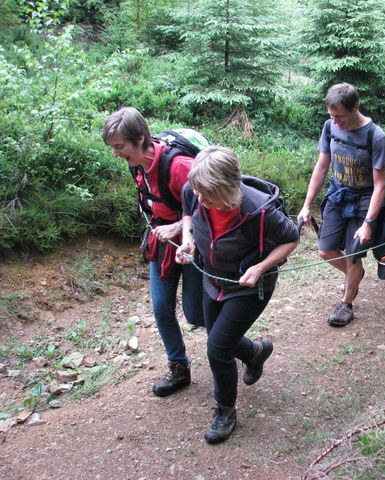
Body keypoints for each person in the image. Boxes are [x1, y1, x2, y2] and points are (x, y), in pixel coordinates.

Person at [176, 146, 299, 444]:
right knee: (219, 339)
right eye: (198, 192)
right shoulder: (195, 191)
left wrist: (260, 267)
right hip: (212, 278)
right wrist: (188, 240)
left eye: (207, 194)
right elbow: (188, 213)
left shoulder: (258, 210)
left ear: (227, 189)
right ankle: (254, 353)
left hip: (249, 287)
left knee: (217, 349)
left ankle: (225, 411)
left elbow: (292, 238)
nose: (200, 199)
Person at [103, 107, 203, 397]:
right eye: (113, 147)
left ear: (141, 138)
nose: (116, 154)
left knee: (196, 315)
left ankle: (248, 350)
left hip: (192, 245)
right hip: (161, 244)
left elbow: (212, 207)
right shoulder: (136, 163)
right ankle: (179, 369)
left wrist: (177, 227)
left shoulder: (179, 166)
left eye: (120, 147)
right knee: (161, 308)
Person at [297, 83, 385, 327]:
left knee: (353, 254)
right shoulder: (330, 127)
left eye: (340, 116)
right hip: (338, 195)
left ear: (355, 107)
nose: (335, 121)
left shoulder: (375, 136)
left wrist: (369, 223)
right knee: (325, 250)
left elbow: (381, 185)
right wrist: (307, 205)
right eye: (331, 115)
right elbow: (322, 167)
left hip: (365, 200)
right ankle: (354, 275)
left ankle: (346, 303)